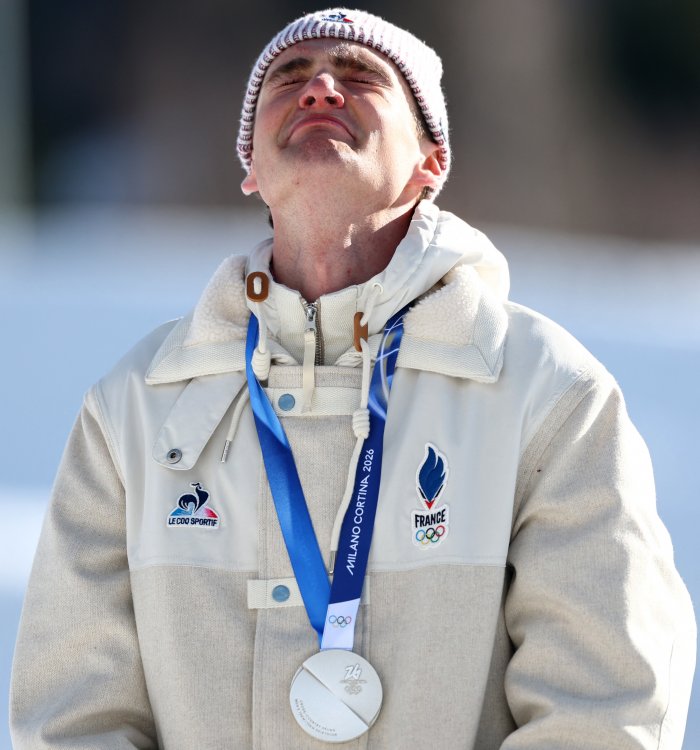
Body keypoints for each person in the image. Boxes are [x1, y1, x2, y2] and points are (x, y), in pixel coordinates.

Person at [11, 8, 696, 749]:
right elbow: (71, 715)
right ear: (251, 166)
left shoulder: (546, 392)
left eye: (360, 76)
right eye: (289, 78)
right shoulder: (136, 405)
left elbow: (602, 707)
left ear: (432, 162)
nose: (320, 88)